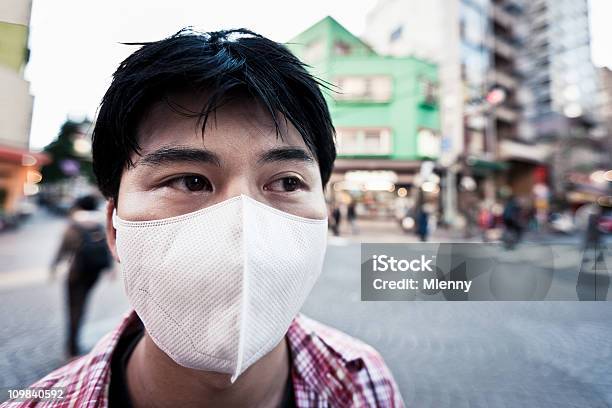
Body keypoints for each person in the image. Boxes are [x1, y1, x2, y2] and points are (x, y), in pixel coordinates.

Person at [8, 29, 404, 407]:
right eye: (190, 181)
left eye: (286, 182)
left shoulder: (363, 384)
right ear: (115, 227)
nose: (241, 230)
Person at [49, 194, 112, 357]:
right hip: (94, 272)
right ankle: (74, 344)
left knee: (73, 308)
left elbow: (63, 249)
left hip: (76, 273)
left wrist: (53, 268)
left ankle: (72, 348)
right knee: (82, 305)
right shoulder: (98, 223)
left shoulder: (73, 225)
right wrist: (111, 269)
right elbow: (106, 247)